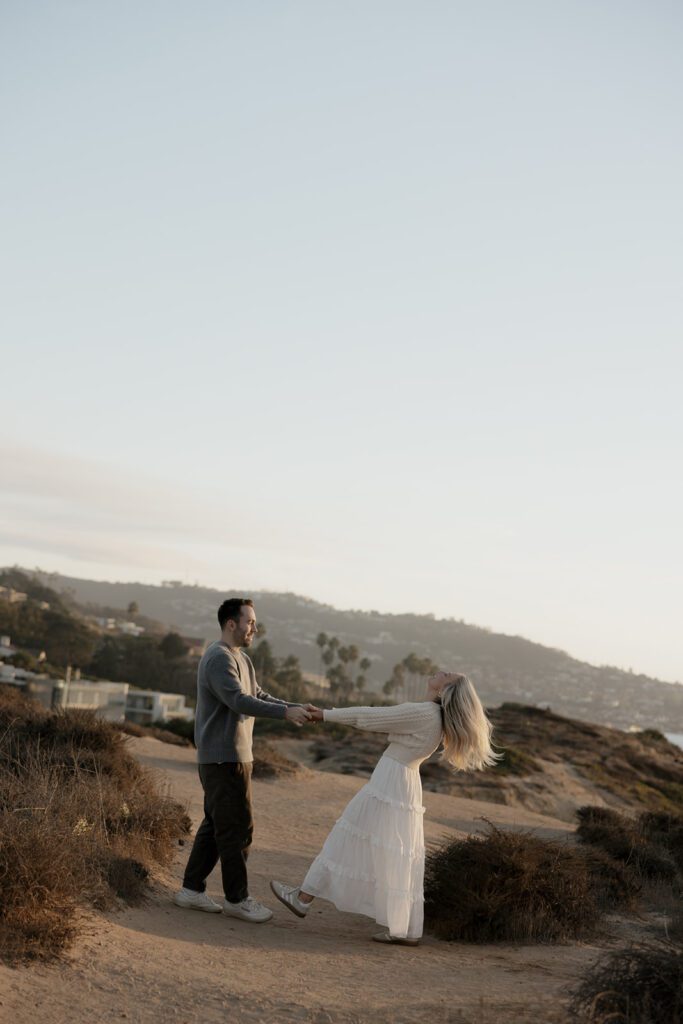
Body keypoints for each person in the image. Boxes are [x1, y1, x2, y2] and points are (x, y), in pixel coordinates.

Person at [270, 672, 498, 944]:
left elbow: (370, 716)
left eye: (447, 675)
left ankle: (303, 898)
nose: (440, 672)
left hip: (390, 781)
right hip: (404, 782)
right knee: (395, 851)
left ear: (446, 689)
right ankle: (403, 928)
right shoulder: (434, 717)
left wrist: (324, 715)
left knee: (348, 837)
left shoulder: (425, 713)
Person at [174, 597, 317, 923]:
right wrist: (285, 714)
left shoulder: (241, 658)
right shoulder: (218, 658)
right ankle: (237, 899)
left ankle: (191, 890)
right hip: (223, 758)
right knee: (238, 830)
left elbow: (258, 695)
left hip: (232, 756)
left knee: (216, 825)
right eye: (250, 622)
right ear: (231, 624)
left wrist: (294, 707)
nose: (254, 628)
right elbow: (239, 701)